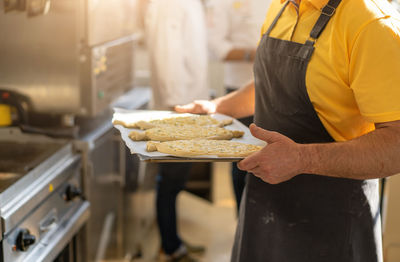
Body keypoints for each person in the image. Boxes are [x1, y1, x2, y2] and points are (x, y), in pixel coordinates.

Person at [175, 0, 400, 261]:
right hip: (264, 207)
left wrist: (302, 159)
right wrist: (219, 108)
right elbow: (270, 81)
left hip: (332, 223)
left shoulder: (371, 25)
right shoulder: (281, 7)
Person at [138, 0, 209, 261]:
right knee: (169, 183)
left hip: (189, 105)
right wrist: (177, 109)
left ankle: (172, 240)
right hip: (179, 108)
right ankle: (171, 248)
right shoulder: (169, 4)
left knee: (176, 183)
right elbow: (166, 57)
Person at [206, 0, 269, 211]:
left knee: (270, 156)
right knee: (242, 160)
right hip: (238, 89)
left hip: (273, 89)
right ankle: (241, 219)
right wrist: (252, 54)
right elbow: (216, 46)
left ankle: (264, 220)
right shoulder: (224, 3)